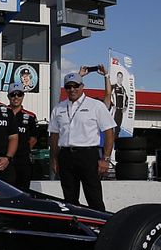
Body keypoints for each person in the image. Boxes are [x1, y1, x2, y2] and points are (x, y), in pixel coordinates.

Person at [48, 72, 116, 211]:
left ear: (82, 86)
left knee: (93, 196)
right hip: (66, 156)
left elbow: (109, 132)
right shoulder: (59, 108)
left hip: (88, 156)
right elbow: (54, 135)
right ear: (65, 88)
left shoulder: (95, 105)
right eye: (68, 86)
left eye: (75, 86)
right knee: (69, 199)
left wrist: (106, 158)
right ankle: (75, 228)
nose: (72, 89)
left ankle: (100, 227)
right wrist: (54, 159)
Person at [7, 83, 38, 191]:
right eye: (13, 94)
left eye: (19, 94)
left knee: (23, 190)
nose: (16, 97)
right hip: (5, 159)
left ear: (23, 96)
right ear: (8, 96)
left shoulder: (30, 116)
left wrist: (23, 149)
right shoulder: (1, 113)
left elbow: (34, 138)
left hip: (22, 160)